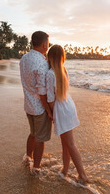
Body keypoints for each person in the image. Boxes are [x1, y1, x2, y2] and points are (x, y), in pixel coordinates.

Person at [46, 44, 89, 183]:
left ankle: (82, 175)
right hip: (68, 105)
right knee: (65, 143)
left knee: (70, 143)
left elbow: (50, 99)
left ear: (50, 57)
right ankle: (65, 170)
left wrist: (51, 114)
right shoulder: (63, 70)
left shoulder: (50, 74)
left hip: (60, 109)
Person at [19, 31, 53, 175]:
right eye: (48, 43)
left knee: (33, 133)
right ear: (45, 44)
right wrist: (49, 111)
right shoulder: (42, 63)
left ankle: (28, 157)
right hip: (39, 108)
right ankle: (36, 168)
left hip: (28, 104)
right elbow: (42, 92)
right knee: (40, 139)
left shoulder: (24, 58)